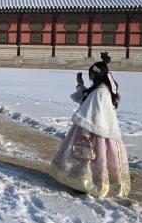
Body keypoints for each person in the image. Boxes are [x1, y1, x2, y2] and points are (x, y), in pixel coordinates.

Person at [49, 52, 130, 198]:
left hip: (93, 131)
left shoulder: (100, 92)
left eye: (91, 75)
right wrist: (80, 84)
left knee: (88, 157)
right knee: (97, 157)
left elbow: (92, 114)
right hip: (103, 129)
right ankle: (89, 182)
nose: (90, 78)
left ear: (97, 75)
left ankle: (86, 184)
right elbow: (86, 100)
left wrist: (85, 134)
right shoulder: (103, 89)